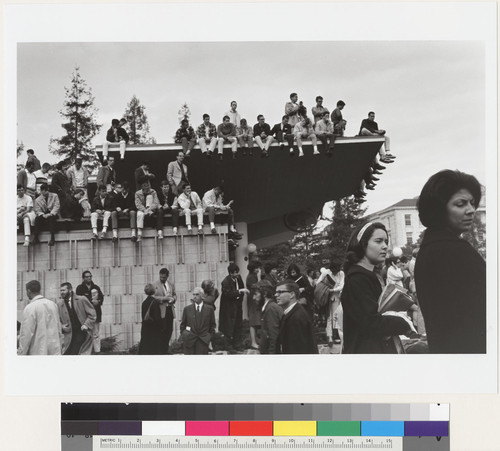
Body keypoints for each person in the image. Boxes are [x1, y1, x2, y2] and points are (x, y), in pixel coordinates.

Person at [415, 170, 486, 353]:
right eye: (460, 204)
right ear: (439, 209)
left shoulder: (429, 249)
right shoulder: (454, 250)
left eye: (472, 202)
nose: (471, 210)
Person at [340, 222, 414, 353]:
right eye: (378, 241)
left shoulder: (367, 276)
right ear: (363, 244)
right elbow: (371, 323)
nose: (385, 246)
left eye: (386, 241)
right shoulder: (357, 280)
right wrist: (402, 323)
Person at [18, 280, 62, 355]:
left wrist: (21, 353)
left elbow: (26, 333)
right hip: (55, 350)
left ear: (28, 291)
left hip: (38, 351)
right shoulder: (53, 305)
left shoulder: (30, 307)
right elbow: (59, 328)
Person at [275, 281, 318, 354]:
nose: (276, 295)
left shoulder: (296, 317)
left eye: (280, 292)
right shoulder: (291, 313)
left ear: (292, 294)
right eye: (276, 292)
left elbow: (298, 350)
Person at [57, 282, 96, 355]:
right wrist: (61, 326)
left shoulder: (82, 299)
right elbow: (57, 320)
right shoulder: (59, 304)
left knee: (76, 353)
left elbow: (92, 314)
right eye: (60, 291)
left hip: (82, 333)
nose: (61, 292)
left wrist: (86, 325)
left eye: (63, 290)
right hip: (68, 336)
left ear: (70, 290)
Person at [219, 263, 248, 349]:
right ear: (230, 273)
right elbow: (228, 294)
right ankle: (228, 346)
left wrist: (240, 299)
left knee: (238, 325)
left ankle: (237, 344)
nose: (237, 274)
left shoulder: (238, 278)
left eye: (237, 272)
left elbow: (242, 288)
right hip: (229, 308)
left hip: (237, 306)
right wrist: (239, 291)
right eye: (235, 273)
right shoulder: (225, 282)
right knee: (229, 326)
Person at [180, 287, 216, 355]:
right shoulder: (187, 309)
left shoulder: (209, 309)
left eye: (197, 294)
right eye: (194, 294)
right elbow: (183, 325)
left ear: (202, 296)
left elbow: (212, 325)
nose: (195, 296)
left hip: (203, 341)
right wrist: (184, 335)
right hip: (189, 342)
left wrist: (209, 337)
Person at [76, 271, 105, 354]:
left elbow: (101, 297)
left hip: (96, 313)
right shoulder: (80, 288)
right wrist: (90, 301)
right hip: (85, 315)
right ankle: (86, 352)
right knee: (86, 334)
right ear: (83, 278)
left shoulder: (96, 287)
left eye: (90, 276)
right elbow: (79, 300)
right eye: (87, 277)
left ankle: (97, 351)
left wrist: (98, 302)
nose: (89, 278)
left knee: (96, 334)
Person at [152, 268, 177, 354]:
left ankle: (165, 349)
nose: (162, 279)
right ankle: (161, 351)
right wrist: (164, 299)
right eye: (161, 277)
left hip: (170, 310)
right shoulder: (155, 285)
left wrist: (173, 299)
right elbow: (153, 297)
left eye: (164, 277)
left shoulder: (171, 284)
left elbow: (174, 294)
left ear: (167, 276)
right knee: (162, 332)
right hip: (161, 312)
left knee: (169, 330)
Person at [138, 283, 163, 355]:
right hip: (154, 331)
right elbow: (158, 319)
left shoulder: (144, 303)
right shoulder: (155, 302)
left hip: (145, 330)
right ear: (153, 291)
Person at [258, 283, 282, 354]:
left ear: (264, 294)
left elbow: (273, 335)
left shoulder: (270, 308)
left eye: (255, 294)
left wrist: (271, 355)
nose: (253, 297)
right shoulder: (268, 307)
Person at [246, 261, 263, 350]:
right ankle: (253, 342)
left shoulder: (252, 276)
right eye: (257, 268)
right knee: (253, 321)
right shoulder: (251, 277)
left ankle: (254, 341)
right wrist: (259, 277)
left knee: (256, 321)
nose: (258, 269)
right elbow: (258, 286)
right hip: (253, 300)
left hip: (255, 299)